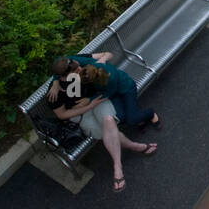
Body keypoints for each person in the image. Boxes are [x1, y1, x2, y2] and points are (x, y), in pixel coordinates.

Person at [45, 53, 155, 193]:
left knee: (109, 121)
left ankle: (117, 167)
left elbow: (102, 58)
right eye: (76, 71)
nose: (81, 70)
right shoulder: (56, 93)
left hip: (96, 101)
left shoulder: (81, 69)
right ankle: (132, 148)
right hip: (81, 114)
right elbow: (62, 115)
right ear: (65, 76)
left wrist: (90, 102)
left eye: (79, 68)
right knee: (105, 132)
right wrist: (86, 106)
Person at [52, 54, 160, 131]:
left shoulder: (108, 78)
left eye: (78, 69)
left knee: (131, 120)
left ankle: (150, 113)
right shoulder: (74, 64)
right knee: (121, 117)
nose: (79, 69)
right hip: (109, 91)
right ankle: (135, 112)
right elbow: (59, 66)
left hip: (124, 89)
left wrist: (89, 100)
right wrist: (55, 81)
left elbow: (108, 93)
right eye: (76, 70)